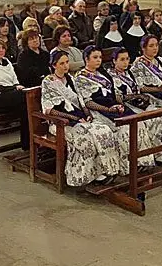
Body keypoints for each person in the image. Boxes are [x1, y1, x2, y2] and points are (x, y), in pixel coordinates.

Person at [75, 46, 162, 169]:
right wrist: (108, 109)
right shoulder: (80, 77)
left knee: (137, 122)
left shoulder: (102, 73)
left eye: (100, 57)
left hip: (113, 107)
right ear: (86, 59)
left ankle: (144, 160)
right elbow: (87, 102)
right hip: (99, 111)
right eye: (95, 57)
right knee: (126, 128)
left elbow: (115, 94)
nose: (99, 60)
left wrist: (119, 103)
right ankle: (129, 165)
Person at [40, 51, 126, 186]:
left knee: (104, 130)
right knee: (87, 139)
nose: (65, 66)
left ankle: (106, 170)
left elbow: (81, 100)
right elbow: (50, 109)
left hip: (80, 119)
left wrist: (87, 115)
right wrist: (74, 118)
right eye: (61, 63)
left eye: (67, 62)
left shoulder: (70, 79)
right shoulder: (48, 82)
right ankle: (85, 176)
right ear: (53, 65)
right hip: (61, 123)